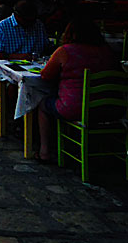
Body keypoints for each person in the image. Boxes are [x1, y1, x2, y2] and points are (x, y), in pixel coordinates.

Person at [36, 17, 120, 162]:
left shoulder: (65, 51)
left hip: (76, 108)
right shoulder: (107, 51)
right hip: (111, 108)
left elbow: (45, 75)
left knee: (43, 104)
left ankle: (44, 151)